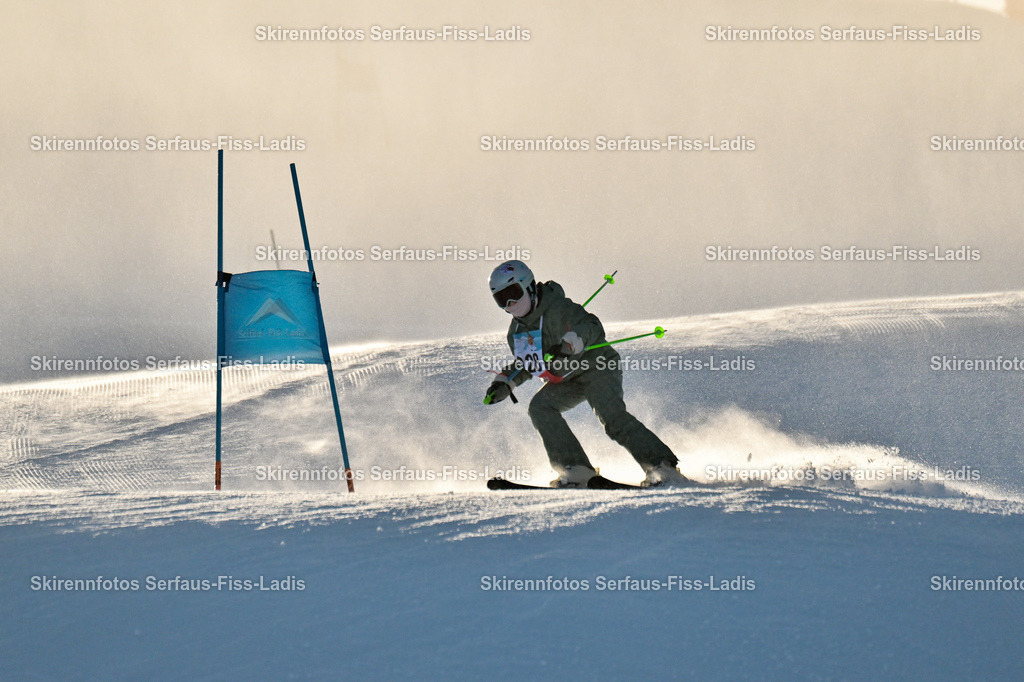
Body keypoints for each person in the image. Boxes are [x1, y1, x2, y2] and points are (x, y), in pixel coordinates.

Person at [484, 260, 687, 488]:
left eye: (514, 293)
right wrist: (504, 383)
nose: (510, 304)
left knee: (612, 418)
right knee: (540, 407)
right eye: (502, 299)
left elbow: (592, 325)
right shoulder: (516, 333)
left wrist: (571, 342)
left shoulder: (558, 308)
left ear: (528, 286)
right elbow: (527, 364)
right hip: (566, 379)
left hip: (597, 366)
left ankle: (662, 467)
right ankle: (575, 469)